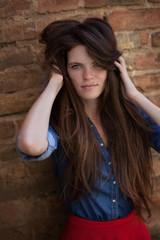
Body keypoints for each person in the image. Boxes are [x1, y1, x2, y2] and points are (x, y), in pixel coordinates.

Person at [16, 18, 160, 240]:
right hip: (84, 234)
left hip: (134, 231)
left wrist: (135, 96)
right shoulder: (60, 121)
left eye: (97, 64)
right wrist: (54, 83)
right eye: (76, 66)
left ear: (111, 66)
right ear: (65, 70)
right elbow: (30, 144)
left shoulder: (131, 113)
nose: (88, 76)